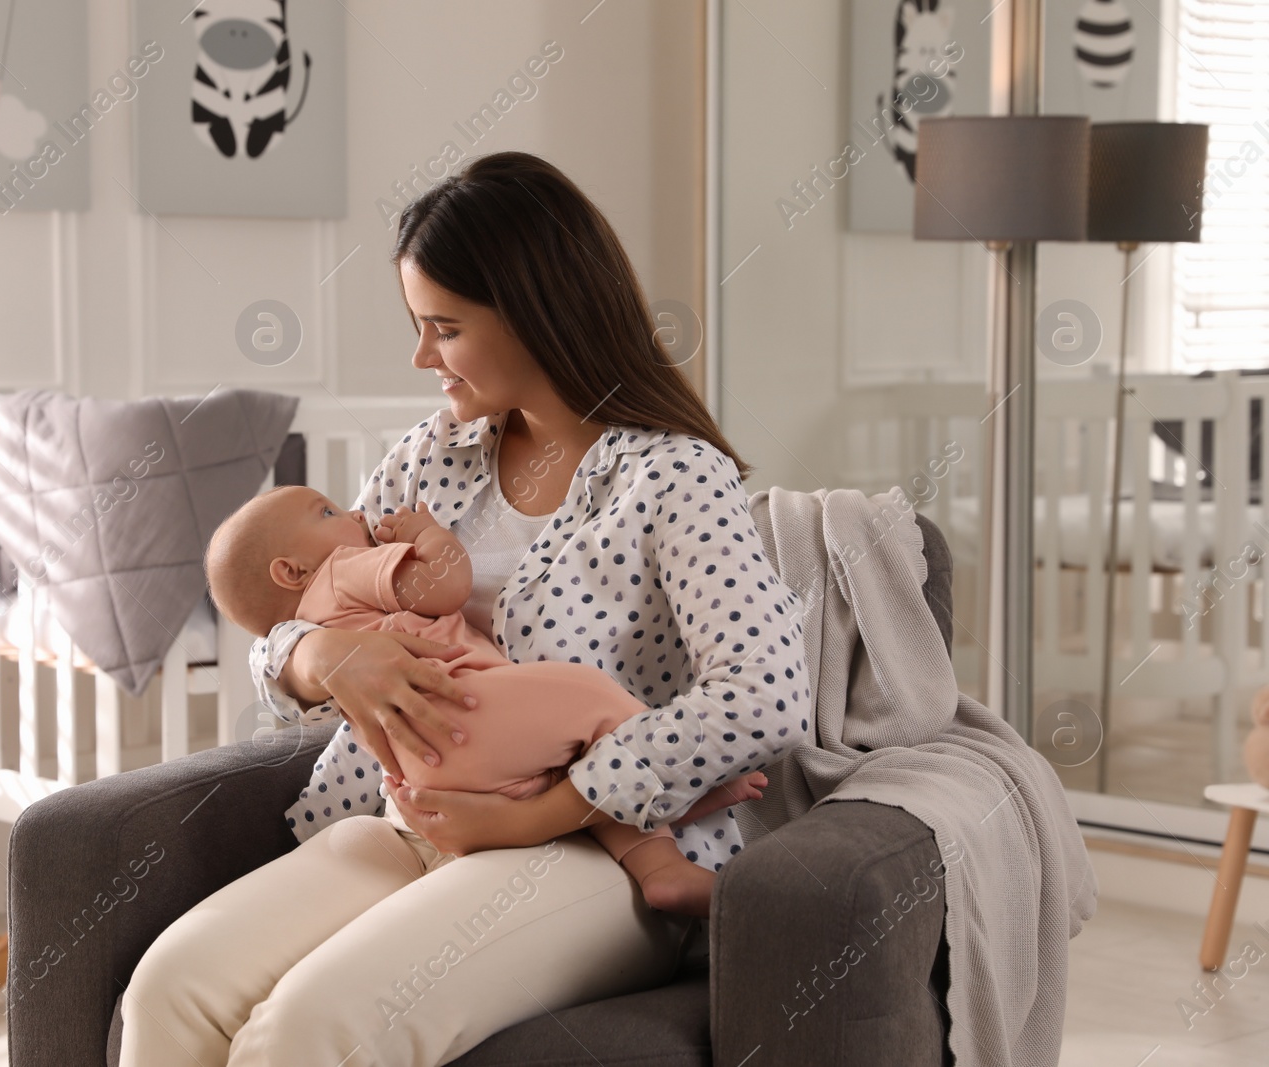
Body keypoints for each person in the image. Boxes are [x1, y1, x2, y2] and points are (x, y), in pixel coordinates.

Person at [118, 150, 812, 1067]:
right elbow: (303, 607)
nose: (420, 356)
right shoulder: (424, 460)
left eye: (442, 328)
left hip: (597, 853)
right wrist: (311, 660)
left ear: (536, 313)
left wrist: (543, 811)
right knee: (170, 987)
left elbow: (765, 690)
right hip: (406, 818)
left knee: (308, 1030)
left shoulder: (671, 476)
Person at [205, 483, 771, 916]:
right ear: (291, 571)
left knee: (569, 767)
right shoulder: (341, 570)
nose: (355, 512)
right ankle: (669, 819)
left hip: (425, 765)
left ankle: (658, 867)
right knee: (590, 697)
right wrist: (424, 535)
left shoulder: (316, 605)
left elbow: (274, 645)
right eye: (326, 513)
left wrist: (315, 647)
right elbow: (443, 584)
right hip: (459, 707)